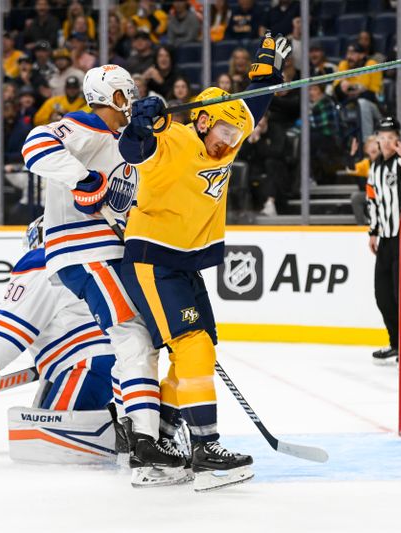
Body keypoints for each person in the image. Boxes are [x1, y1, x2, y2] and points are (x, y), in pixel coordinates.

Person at [116, 33, 292, 491]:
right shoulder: (169, 139)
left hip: (185, 260)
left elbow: (258, 100)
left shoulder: (226, 134)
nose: (229, 143)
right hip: (153, 256)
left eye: (236, 135)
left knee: (202, 346)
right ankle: (205, 446)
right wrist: (140, 122)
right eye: (223, 133)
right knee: (191, 343)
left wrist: (267, 61)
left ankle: (162, 445)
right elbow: (133, 151)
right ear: (200, 122)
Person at [22, 66, 182, 487]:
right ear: (110, 96)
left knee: (139, 334)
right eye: (125, 94)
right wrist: (82, 177)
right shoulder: (83, 127)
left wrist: (156, 128)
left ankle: (129, 431)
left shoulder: (124, 144)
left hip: (112, 252)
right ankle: (145, 443)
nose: (129, 100)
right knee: (132, 333)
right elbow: (34, 143)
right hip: (85, 250)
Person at [0, 217, 121, 464]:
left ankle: (129, 436)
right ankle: (128, 429)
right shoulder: (87, 262)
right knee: (40, 428)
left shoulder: (44, 264)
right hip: (94, 364)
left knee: (53, 449)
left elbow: (9, 330)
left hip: (85, 367)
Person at [365, 117, 401, 363]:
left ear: (398, 138)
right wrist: (373, 231)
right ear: (378, 139)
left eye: (391, 137)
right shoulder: (375, 167)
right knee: (383, 294)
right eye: (383, 136)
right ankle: (397, 343)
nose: (387, 141)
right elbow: (373, 200)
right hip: (387, 236)